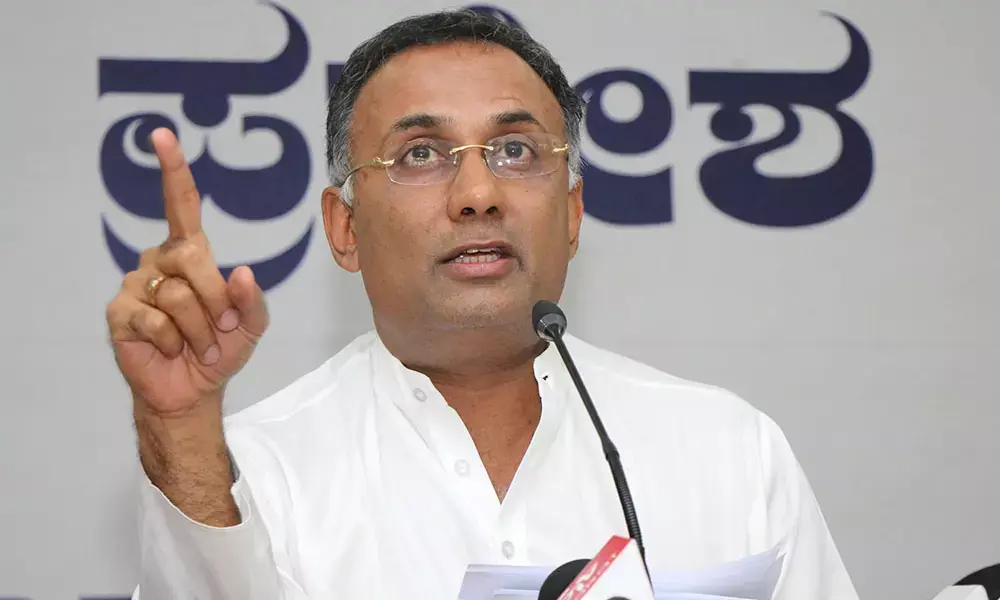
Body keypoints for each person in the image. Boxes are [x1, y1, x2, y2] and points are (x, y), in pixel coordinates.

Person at [105, 9, 859, 600]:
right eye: (421, 155)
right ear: (345, 229)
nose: (477, 194)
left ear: (572, 215)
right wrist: (180, 429)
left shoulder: (727, 451)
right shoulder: (254, 472)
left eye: (516, 151)